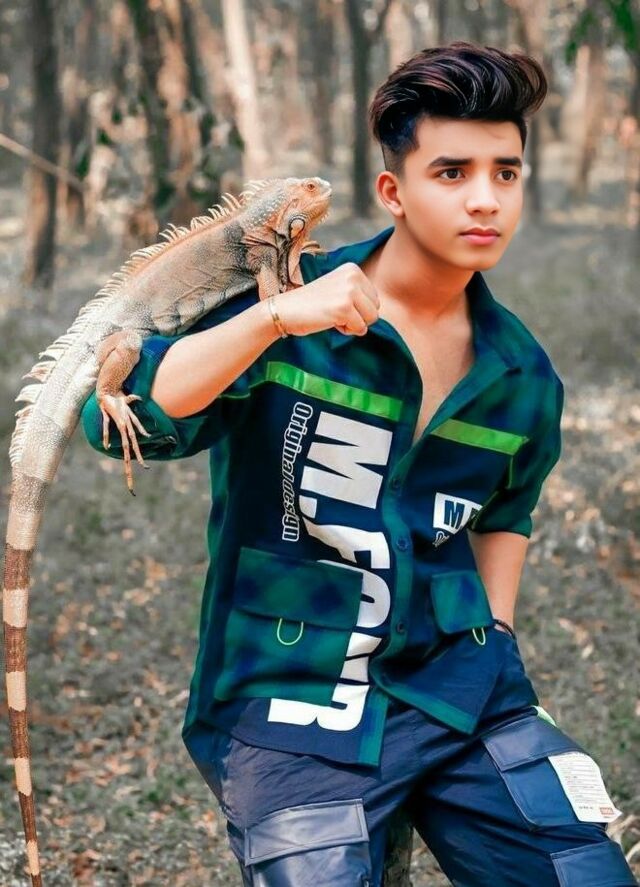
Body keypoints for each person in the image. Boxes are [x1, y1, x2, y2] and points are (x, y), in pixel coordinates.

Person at [80, 41, 638, 887]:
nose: (485, 198)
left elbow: (506, 512)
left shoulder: (522, 374)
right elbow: (127, 417)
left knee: (586, 873)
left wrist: (498, 641)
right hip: (290, 698)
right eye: (451, 172)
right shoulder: (287, 306)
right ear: (393, 190)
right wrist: (274, 321)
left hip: (461, 691)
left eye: (506, 172)